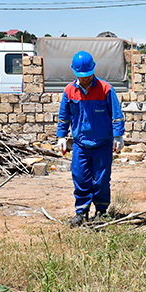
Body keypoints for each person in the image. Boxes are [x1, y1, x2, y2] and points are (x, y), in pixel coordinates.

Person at [57, 51, 125, 228]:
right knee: (80, 178)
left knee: (101, 180)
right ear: (75, 72)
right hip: (81, 145)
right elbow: (64, 117)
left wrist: (118, 136)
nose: (85, 78)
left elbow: (117, 115)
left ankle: (101, 212)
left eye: (87, 75)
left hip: (102, 144)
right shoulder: (69, 91)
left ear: (93, 70)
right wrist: (61, 136)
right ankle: (81, 213)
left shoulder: (106, 89)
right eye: (82, 76)